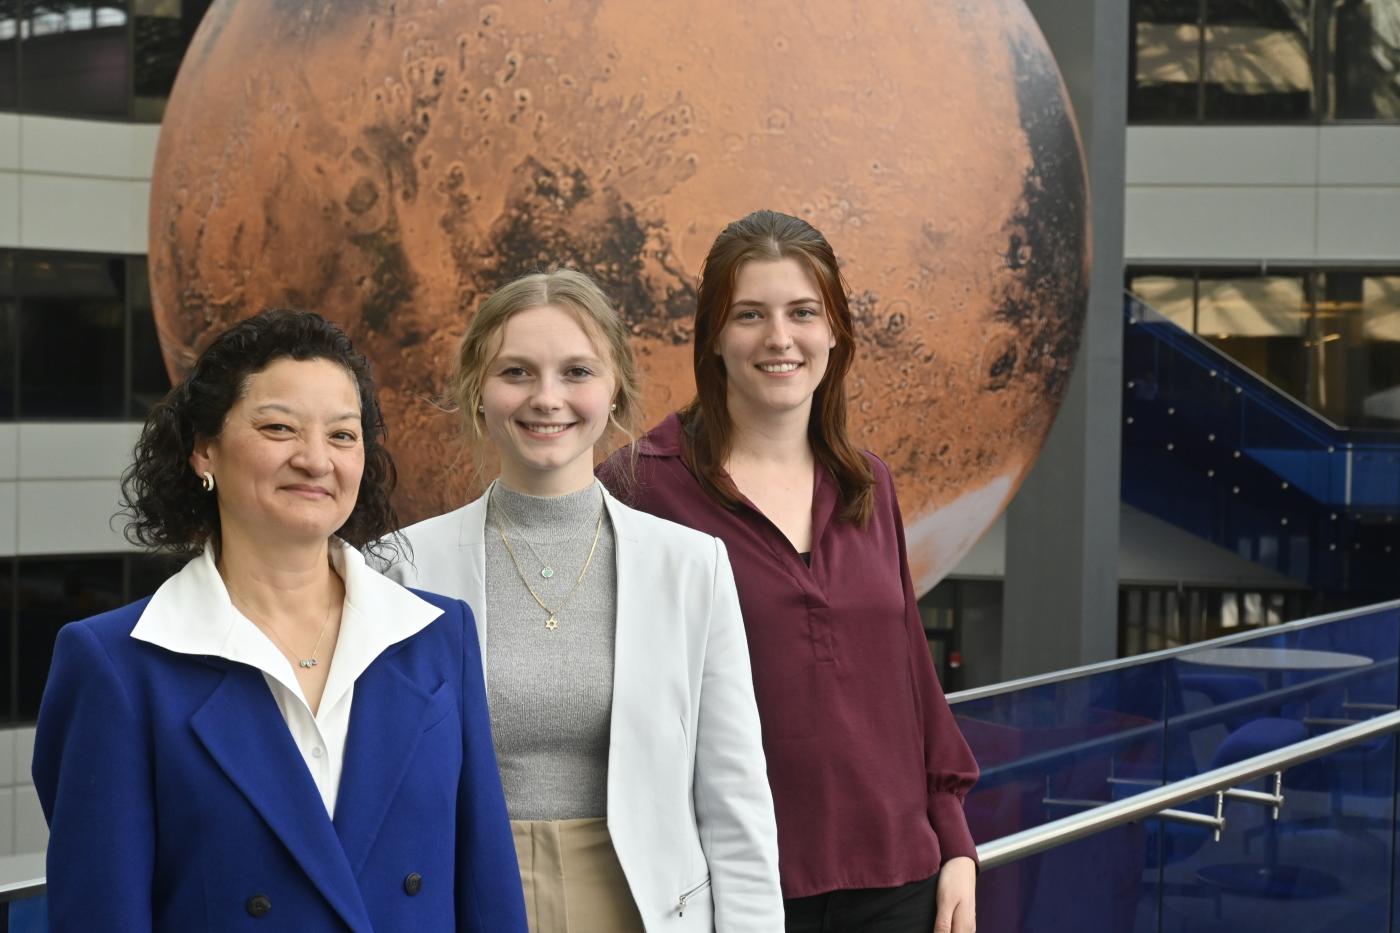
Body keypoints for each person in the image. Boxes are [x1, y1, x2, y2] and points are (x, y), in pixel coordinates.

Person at [31, 310, 527, 932]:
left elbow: (488, 895)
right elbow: (101, 915)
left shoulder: (435, 637)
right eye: (278, 428)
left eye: (343, 436)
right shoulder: (116, 665)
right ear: (204, 449)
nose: (316, 460)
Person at [600, 210, 980, 933]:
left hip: (900, 879)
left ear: (834, 332)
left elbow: (912, 678)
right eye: (750, 314)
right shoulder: (640, 488)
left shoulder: (870, 485)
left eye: (803, 312)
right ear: (713, 336)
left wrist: (955, 842)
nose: (780, 338)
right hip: (733, 889)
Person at [387, 269, 782, 932]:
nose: (547, 398)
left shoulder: (692, 566)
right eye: (516, 372)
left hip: (643, 906)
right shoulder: (399, 565)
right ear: (477, 391)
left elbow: (734, 799)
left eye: (576, 371)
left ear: (616, 385)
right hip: (466, 904)